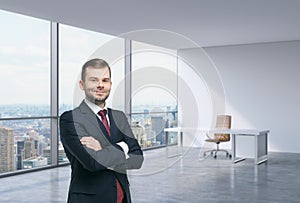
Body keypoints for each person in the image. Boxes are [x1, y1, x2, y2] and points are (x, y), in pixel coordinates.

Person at [60, 58, 144, 203]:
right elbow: (92, 163)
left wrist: (103, 149)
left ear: (110, 84)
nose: (100, 85)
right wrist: (124, 147)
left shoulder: (119, 117)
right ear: (82, 84)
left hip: (123, 198)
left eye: (105, 80)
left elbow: (137, 159)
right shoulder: (71, 119)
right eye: (93, 80)